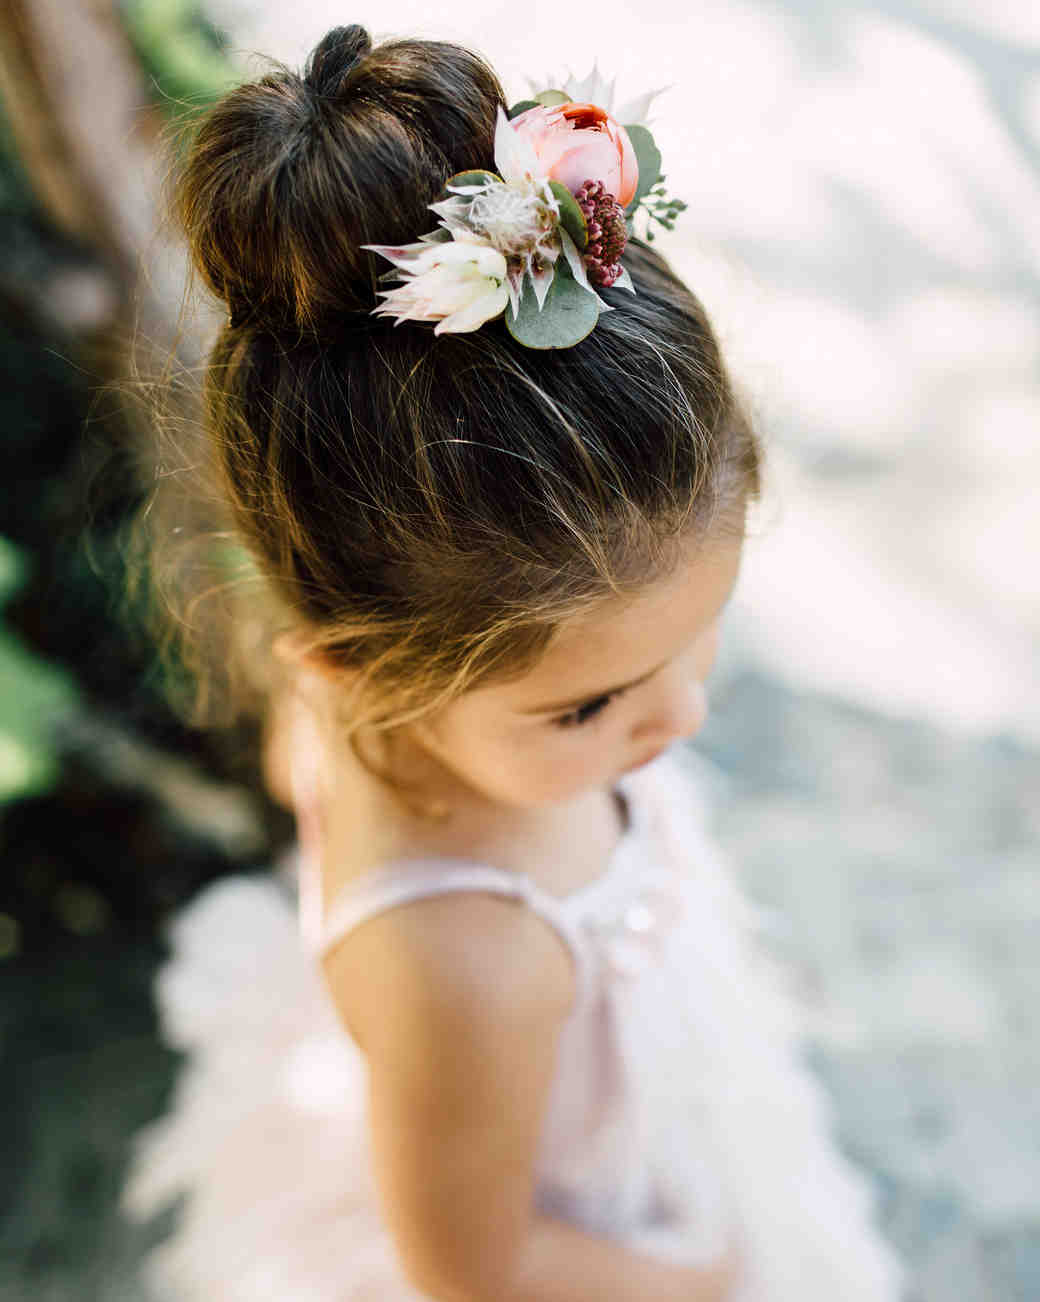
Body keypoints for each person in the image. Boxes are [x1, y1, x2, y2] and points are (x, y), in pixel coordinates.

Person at [119, 24, 905, 1302]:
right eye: (589, 704)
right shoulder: (462, 966)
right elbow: (474, 1272)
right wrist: (706, 1278)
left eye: (699, 635)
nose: (683, 719)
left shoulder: (353, 701)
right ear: (363, 668)